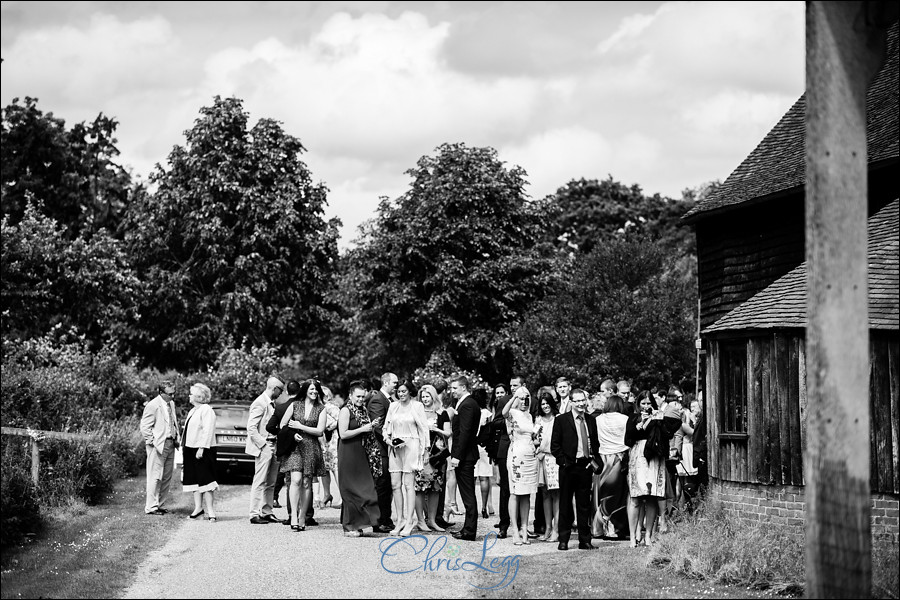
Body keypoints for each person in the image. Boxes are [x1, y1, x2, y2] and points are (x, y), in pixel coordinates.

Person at [550, 388, 601, 551]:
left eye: (583, 400)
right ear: (571, 402)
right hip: (568, 467)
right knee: (565, 504)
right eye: (577, 401)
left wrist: (595, 461)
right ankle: (563, 539)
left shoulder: (591, 420)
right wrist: (564, 462)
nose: (580, 404)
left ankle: (585, 541)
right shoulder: (561, 420)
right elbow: (555, 446)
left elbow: (596, 444)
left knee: (584, 505)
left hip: (585, 467)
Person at [383, 379, 430, 537]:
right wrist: (389, 441)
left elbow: (424, 429)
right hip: (396, 448)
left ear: (410, 391)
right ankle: (400, 520)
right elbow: (385, 429)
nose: (401, 394)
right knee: (395, 485)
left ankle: (410, 520)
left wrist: (426, 451)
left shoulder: (417, 406)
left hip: (412, 446)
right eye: (399, 391)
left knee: (409, 485)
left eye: (404, 391)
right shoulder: (393, 406)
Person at [280, 378, 327, 531]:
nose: (313, 392)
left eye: (316, 390)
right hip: (295, 446)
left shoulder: (321, 408)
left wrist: (301, 426)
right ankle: (293, 515)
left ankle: (302, 516)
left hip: (311, 447)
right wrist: (293, 434)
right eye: (311, 389)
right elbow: (282, 424)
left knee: (307, 483)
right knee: (296, 480)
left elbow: (320, 431)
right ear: (305, 390)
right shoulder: (295, 405)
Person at [337, 380, 382, 537]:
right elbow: (343, 434)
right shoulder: (345, 411)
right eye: (358, 396)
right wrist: (364, 428)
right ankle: (349, 526)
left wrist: (372, 426)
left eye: (363, 396)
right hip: (348, 452)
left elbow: (365, 430)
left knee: (364, 489)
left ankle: (358, 523)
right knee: (350, 490)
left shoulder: (362, 410)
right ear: (350, 395)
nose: (361, 399)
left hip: (362, 453)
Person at [625, 391, 667, 546]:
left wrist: (660, 421)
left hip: (655, 458)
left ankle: (648, 535)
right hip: (638, 457)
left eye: (649, 403)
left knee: (651, 497)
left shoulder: (658, 417)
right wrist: (640, 425)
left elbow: (667, 436)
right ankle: (632, 536)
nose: (646, 406)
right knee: (635, 497)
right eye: (643, 403)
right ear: (638, 404)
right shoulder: (633, 418)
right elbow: (627, 440)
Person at [501, 385, 538, 545]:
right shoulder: (513, 413)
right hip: (517, 456)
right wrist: (514, 398)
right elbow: (503, 413)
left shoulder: (529, 416)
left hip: (530, 456)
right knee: (515, 493)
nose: (524, 401)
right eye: (521, 398)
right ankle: (515, 530)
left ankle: (524, 528)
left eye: (526, 398)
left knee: (527, 494)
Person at [244, 376, 284, 525]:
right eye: (281, 390)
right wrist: (263, 445)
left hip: (274, 445)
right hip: (264, 446)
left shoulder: (272, 403)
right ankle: (254, 513)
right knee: (260, 481)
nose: (282, 393)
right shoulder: (259, 403)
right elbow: (251, 428)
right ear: (274, 388)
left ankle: (267, 511)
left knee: (271, 482)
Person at [140, 380, 181, 515]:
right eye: (170, 394)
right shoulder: (153, 405)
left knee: (166, 476)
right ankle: (151, 507)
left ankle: (161, 504)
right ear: (161, 393)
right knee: (155, 476)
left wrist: (176, 438)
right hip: (157, 445)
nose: (172, 396)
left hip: (170, 443)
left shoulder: (171, 404)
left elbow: (173, 422)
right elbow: (145, 426)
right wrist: (151, 442)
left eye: (174, 393)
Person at [449, 375, 481, 541]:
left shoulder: (468, 404)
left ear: (463, 387)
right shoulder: (465, 403)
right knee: (467, 494)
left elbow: (466, 433)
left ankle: (469, 531)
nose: (452, 391)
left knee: (468, 495)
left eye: (454, 388)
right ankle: (467, 528)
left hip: (466, 455)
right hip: (466, 454)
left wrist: (457, 456)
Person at [593, 394, 630, 539]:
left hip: (603, 458)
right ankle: (615, 528)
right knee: (618, 496)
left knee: (602, 495)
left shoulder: (598, 419)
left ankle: (599, 528)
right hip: (618, 458)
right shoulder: (624, 419)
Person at [413, 383, 449, 532]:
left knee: (435, 488)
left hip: (437, 455)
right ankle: (421, 520)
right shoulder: (416, 412)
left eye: (427, 396)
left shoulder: (442, 413)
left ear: (433, 397)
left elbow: (448, 433)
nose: (425, 399)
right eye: (423, 397)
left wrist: (436, 429)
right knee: (420, 488)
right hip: (420, 454)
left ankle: (433, 520)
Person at [182, 382, 218, 521]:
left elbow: (207, 430)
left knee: (206, 480)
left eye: (191, 393)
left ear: (198, 396)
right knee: (194, 480)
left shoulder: (206, 410)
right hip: (191, 448)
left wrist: (202, 448)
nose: (189, 396)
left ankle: (211, 511)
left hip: (203, 449)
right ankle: (198, 508)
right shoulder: (193, 410)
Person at [367, 372, 398, 533]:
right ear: (385, 382)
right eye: (394, 382)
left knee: (387, 485)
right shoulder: (378, 399)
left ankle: (386, 518)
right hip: (381, 449)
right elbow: (377, 427)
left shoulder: (390, 400)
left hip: (389, 448)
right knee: (382, 485)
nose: (397, 385)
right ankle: (378, 521)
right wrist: (390, 439)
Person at [484, 382, 511, 538]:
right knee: (505, 489)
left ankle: (521, 523)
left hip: (523, 451)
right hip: (504, 449)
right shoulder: (503, 402)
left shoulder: (525, 403)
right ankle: (504, 524)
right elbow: (496, 423)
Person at [534, 389, 560, 543]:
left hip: (555, 459)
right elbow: (534, 440)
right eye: (542, 404)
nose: (545, 406)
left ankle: (556, 529)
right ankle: (548, 527)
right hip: (542, 458)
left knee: (556, 493)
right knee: (544, 494)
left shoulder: (558, 419)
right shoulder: (538, 421)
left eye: (547, 403)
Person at [317, 385, 342, 509]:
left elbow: (340, 421)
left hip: (333, 441)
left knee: (335, 468)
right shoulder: (319, 408)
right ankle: (327, 494)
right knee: (324, 469)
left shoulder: (332, 407)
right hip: (324, 442)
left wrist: (329, 425)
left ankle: (343, 497)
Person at [472, 388, 495, 519]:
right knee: (484, 478)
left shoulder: (472, 411)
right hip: (484, 447)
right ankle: (484, 506)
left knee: (472, 478)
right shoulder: (487, 413)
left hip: (473, 446)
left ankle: (473, 506)